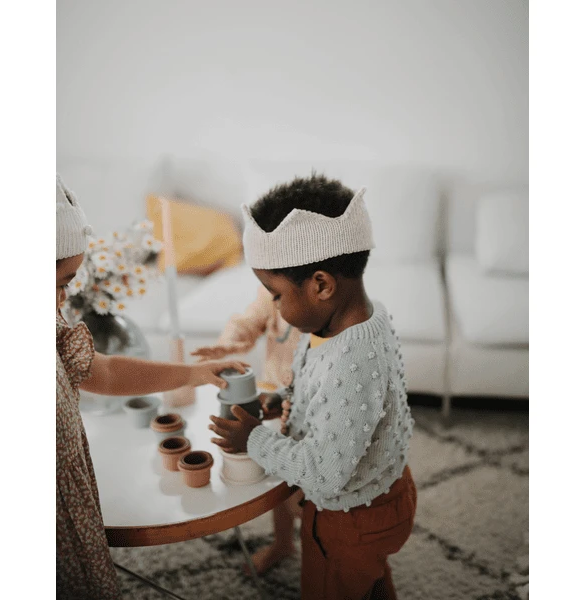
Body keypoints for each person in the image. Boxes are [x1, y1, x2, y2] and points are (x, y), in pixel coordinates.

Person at [208, 174, 417, 600]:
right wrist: (282, 398)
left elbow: (323, 473)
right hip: (378, 498)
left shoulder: (354, 360)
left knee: (329, 586)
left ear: (321, 285)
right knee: (368, 579)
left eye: (275, 294)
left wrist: (254, 440)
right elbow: (322, 388)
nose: (273, 305)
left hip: (352, 519)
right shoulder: (342, 321)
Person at [56, 175, 248, 600]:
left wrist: (195, 373)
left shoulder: (51, 323)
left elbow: (104, 372)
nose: (64, 299)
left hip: (70, 498)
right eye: (60, 284)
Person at [191, 285, 304, 573]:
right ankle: (283, 542)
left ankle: (319, 546)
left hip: (310, 405)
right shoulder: (272, 291)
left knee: (302, 489)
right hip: (275, 396)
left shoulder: (320, 307)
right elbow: (248, 322)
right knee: (279, 478)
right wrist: (227, 345)